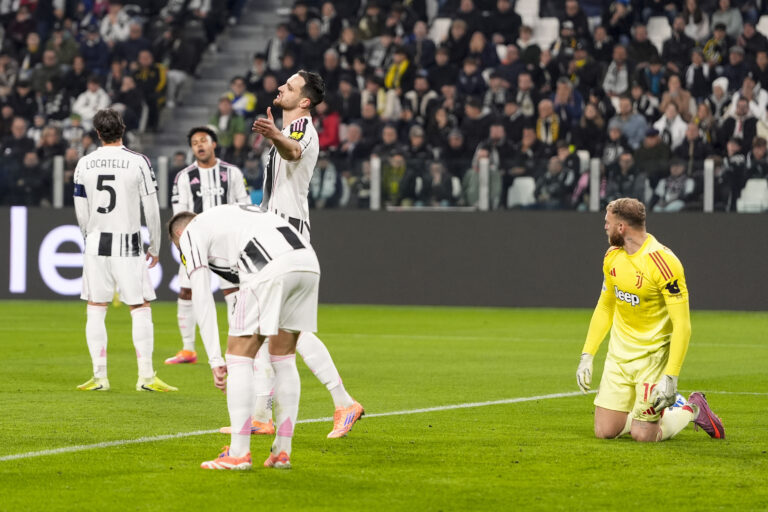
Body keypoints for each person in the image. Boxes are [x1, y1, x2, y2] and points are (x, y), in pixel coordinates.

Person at [249, 69, 363, 438]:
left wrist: (277, 135)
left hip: (286, 233)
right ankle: (264, 416)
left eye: (290, 86)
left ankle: (342, 402)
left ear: (304, 101)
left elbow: (294, 150)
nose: (281, 86)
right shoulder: (289, 130)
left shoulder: (299, 128)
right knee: (268, 326)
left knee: (282, 327)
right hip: (277, 231)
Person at [168, 206, 320, 470]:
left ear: (179, 233)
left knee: (238, 356)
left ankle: (238, 453)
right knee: (283, 358)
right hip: (307, 261)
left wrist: (215, 358)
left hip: (268, 265)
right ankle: (282, 452)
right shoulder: (228, 216)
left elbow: (202, 296)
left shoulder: (191, 233)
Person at [575, 198, 725, 442]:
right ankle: (642, 412)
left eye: (608, 222)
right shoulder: (612, 256)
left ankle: (691, 408)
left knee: (644, 436)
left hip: (652, 357)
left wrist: (671, 376)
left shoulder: (663, 262)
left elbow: (682, 326)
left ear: (621, 227)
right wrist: (587, 355)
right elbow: (605, 306)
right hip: (619, 356)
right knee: (605, 432)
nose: (605, 227)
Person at [73, 108, 176, 393]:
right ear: (123, 128)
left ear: (96, 132)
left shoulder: (84, 163)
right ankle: (145, 377)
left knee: (95, 307)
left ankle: (99, 377)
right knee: (140, 306)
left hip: (96, 243)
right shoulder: (138, 162)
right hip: (128, 243)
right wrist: (155, 245)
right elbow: (151, 208)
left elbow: (81, 211)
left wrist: (88, 238)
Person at [164, 126, 250, 365]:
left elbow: (243, 205)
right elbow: (179, 212)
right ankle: (188, 349)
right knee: (186, 290)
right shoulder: (183, 177)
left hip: (227, 243)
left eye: (203, 140)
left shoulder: (231, 172)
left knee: (232, 292)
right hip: (197, 242)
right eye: (194, 143)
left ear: (213, 144)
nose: (199, 145)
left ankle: (239, 347)